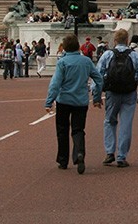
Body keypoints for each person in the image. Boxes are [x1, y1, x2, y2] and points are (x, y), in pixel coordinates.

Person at [44, 34, 103, 174]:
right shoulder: (86, 62)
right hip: (81, 101)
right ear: (78, 46)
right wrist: (96, 97)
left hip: (64, 100)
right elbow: (99, 79)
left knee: (62, 130)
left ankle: (63, 160)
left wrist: (49, 101)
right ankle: (79, 153)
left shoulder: (62, 62)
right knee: (78, 130)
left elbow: (55, 84)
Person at [96, 28, 138, 168]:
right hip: (129, 92)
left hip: (112, 92)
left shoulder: (107, 54)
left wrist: (96, 95)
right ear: (127, 40)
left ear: (114, 40)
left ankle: (109, 152)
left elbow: (98, 75)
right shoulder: (135, 55)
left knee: (109, 121)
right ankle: (122, 156)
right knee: (126, 124)